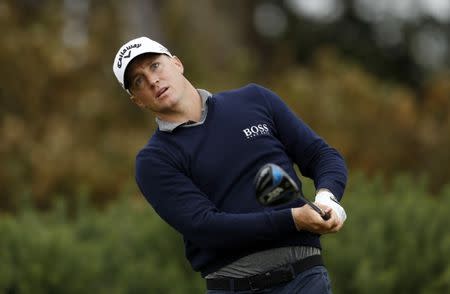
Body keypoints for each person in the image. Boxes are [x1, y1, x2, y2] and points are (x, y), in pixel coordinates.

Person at [113, 36, 348, 293]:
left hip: (305, 279)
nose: (152, 80)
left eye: (155, 66)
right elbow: (206, 226)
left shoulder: (255, 100)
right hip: (235, 287)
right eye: (138, 81)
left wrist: (327, 198)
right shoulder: (154, 160)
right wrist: (293, 220)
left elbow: (320, 155)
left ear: (177, 64)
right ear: (138, 100)